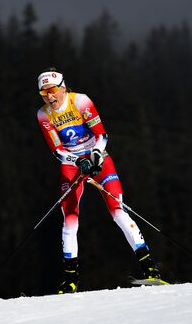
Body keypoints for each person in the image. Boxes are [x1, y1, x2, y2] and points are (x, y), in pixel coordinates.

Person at [36, 68, 161, 293]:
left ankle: (150, 270)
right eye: (43, 93)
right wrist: (78, 161)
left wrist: (93, 156)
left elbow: (101, 135)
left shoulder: (81, 101)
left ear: (63, 87)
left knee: (118, 211)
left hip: (98, 158)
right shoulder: (43, 114)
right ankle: (70, 280)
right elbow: (57, 150)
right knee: (70, 219)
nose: (49, 97)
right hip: (71, 164)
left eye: (52, 90)